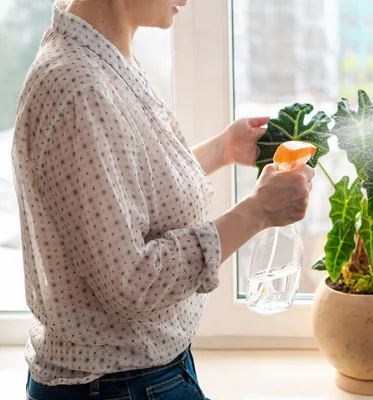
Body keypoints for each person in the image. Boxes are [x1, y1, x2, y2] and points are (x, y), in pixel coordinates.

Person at [12, 0, 314, 399]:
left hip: (138, 377)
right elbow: (130, 284)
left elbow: (123, 189)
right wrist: (256, 212)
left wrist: (221, 150)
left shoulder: (102, 56)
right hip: (120, 386)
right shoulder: (80, 88)